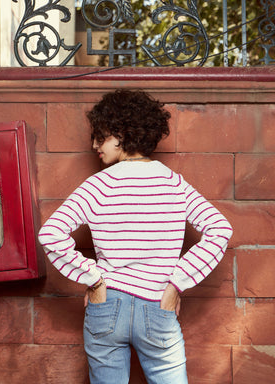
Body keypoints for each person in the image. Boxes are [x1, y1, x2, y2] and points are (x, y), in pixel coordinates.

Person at [38, 89, 233, 384]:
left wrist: (94, 279)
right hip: (158, 304)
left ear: (121, 134)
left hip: (106, 305)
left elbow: (50, 233)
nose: (94, 145)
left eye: (100, 136)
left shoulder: (97, 185)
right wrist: (176, 285)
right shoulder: (173, 184)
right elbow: (220, 229)